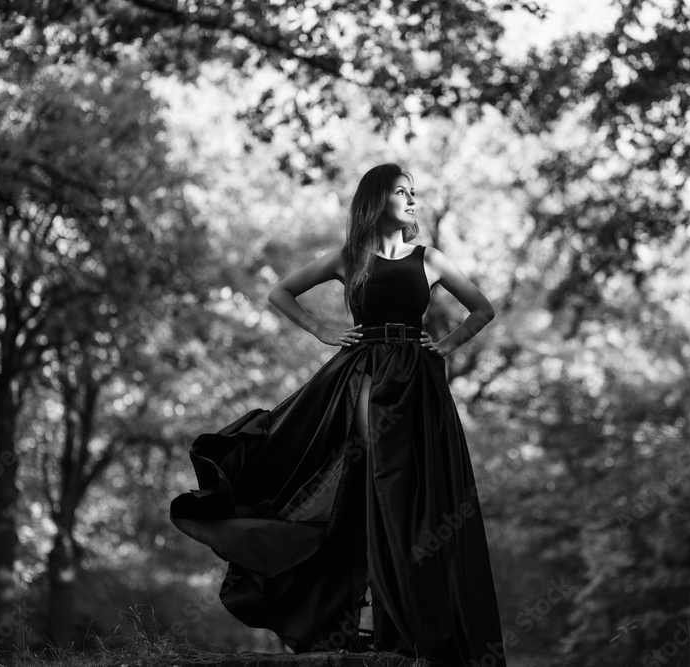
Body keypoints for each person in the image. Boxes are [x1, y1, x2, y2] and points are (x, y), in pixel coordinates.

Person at [170, 163, 508, 667]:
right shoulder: (349, 259)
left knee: (418, 497)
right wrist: (322, 329)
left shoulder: (430, 259)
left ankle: (416, 622)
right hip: (365, 377)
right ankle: (372, 616)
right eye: (401, 192)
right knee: (378, 487)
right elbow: (278, 292)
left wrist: (442, 347)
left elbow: (481, 309)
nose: (413, 200)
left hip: (419, 384)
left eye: (414, 193)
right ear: (376, 200)